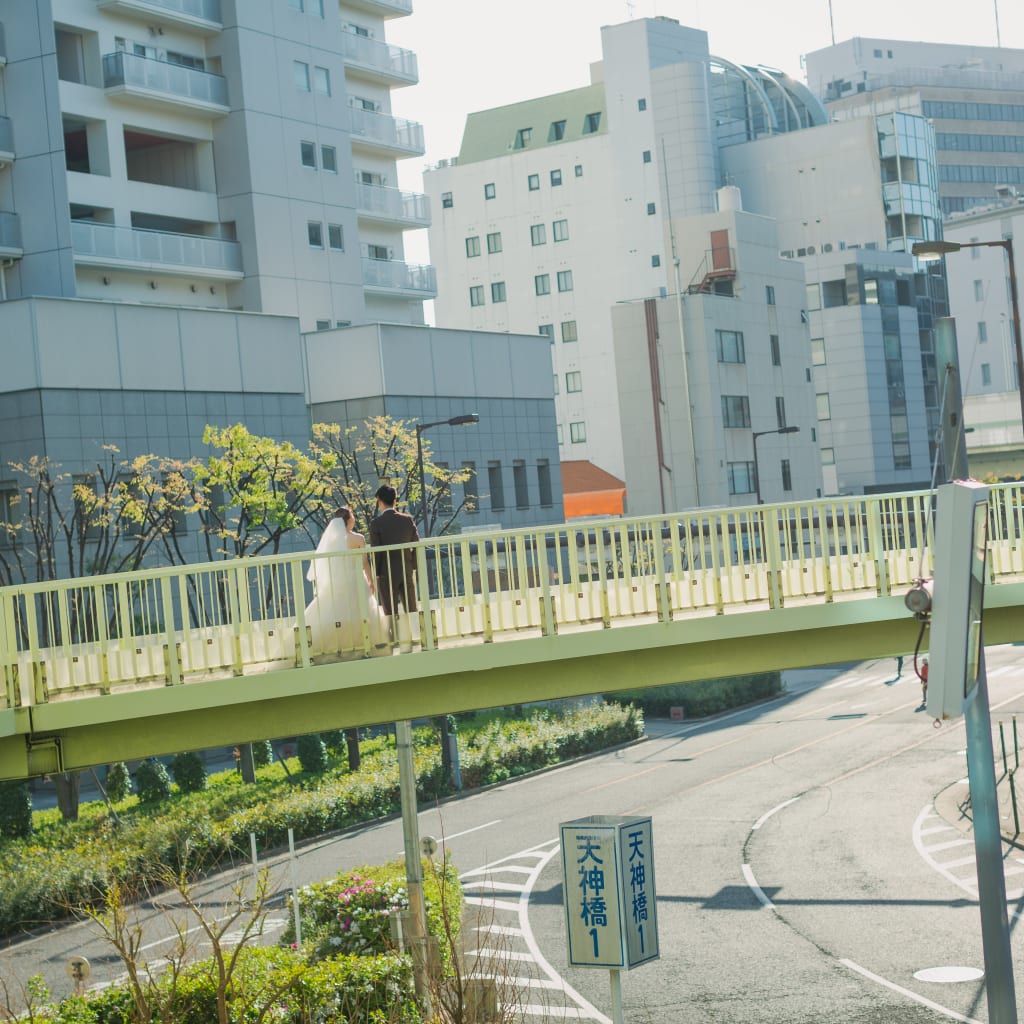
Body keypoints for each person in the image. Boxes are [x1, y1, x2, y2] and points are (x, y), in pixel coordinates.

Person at [304, 507, 388, 657]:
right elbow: (364, 562)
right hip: (356, 579)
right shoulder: (358, 538)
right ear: (349, 520)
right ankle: (365, 644)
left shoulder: (331, 541)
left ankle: (333, 647)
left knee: (336, 613)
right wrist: (371, 579)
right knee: (362, 611)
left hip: (338, 582)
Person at [368, 484, 420, 644]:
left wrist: (376, 572)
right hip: (405, 568)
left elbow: (376, 551)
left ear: (380, 502)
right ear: (395, 501)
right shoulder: (407, 520)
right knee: (411, 605)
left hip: (386, 571)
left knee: (390, 608)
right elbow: (416, 544)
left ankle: (395, 638)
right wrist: (413, 565)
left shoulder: (376, 523)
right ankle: (416, 635)